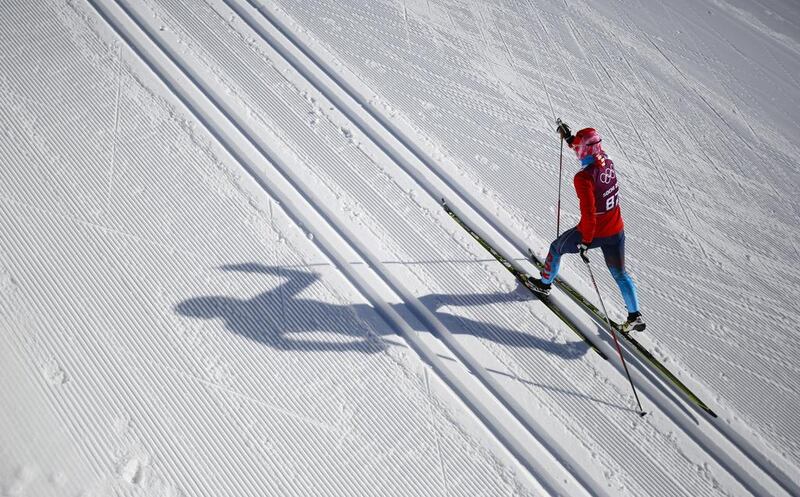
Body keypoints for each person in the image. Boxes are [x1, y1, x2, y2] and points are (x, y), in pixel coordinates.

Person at [528, 122, 646, 333]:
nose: (578, 152)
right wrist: (569, 138)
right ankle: (634, 315)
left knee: (556, 248)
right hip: (616, 230)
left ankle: (544, 284)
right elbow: (589, 147)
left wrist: (585, 242)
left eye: (581, 148)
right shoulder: (607, 160)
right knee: (620, 274)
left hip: (594, 231)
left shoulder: (583, 178)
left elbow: (589, 214)